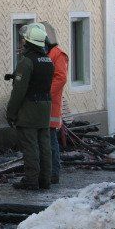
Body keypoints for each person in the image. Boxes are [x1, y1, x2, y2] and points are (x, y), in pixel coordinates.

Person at [7, 23, 55, 190]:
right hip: (45, 108)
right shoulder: (48, 60)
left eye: (24, 40)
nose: (22, 42)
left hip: (29, 109)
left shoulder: (27, 62)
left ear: (28, 42)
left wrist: (11, 113)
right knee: (44, 146)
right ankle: (45, 180)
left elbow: (19, 91)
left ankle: (31, 180)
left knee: (30, 146)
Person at [41, 21, 68, 184]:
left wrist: (45, 92)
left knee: (51, 139)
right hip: (45, 103)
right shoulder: (49, 53)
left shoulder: (57, 54)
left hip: (50, 104)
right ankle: (49, 172)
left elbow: (61, 78)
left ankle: (54, 172)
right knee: (46, 140)